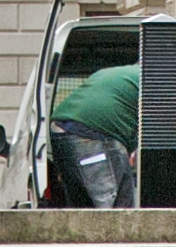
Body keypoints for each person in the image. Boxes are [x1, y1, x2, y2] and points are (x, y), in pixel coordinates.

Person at [49, 61, 140, 209]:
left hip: (60, 132)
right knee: (117, 207)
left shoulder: (117, 72)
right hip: (91, 134)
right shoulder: (152, 80)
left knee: (82, 208)